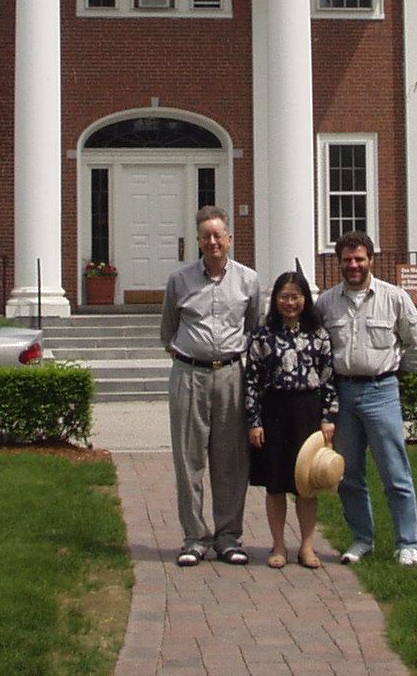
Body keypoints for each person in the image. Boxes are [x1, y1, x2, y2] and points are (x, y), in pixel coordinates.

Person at [314, 230, 417, 567]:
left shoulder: (394, 298)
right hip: (344, 396)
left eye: (359, 259)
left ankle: (407, 542)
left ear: (371, 260)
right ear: (339, 262)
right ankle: (362, 539)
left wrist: (398, 373)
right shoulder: (327, 303)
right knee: (348, 475)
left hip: (382, 392)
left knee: (395, 472)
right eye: (347, 260)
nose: (353, 265)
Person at [159, 206, 262, 567]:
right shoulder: (180, 281)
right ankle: (194, 538)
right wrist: (191, 357)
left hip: (232, 375)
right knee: (189, 461)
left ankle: (229, 537)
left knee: (231, 460)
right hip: (189, 374)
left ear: (230, 239)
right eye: (206, 236)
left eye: (218, 235)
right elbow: (167, 332)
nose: (212, 242)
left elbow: (253, 328)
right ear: (198, 242)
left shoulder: (248, 281)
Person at [245, 268, 338, 569]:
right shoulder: (263, 335)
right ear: (275, 300)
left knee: (306, 485)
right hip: (274, 411)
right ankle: (279, 546)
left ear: (305, 299)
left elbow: (328, 380)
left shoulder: (318, 335)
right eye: (284, 297)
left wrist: (328, 417)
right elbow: (252, 381)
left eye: (295, 297)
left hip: (307, 413)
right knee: (275, 484)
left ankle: (307, 547)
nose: (290, 302)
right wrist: (254, 421)